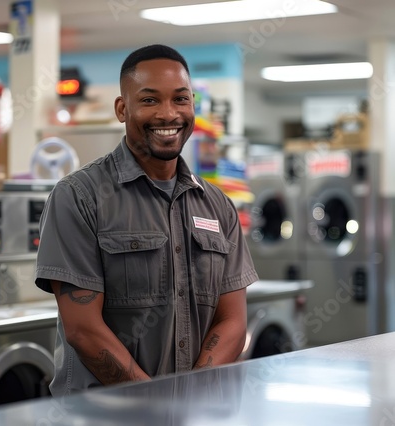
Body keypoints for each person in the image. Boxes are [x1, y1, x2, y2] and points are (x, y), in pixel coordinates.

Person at [35, 44, 259, 397]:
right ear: (123, 109)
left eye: (180, 99)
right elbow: (83, 329)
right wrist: (155, 402)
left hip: (194, 412)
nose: (168, 114)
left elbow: (232, 320)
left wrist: (191, 392)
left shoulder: (217, 205)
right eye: (150, 100)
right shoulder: (79, 197)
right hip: (101, 418)